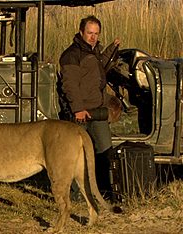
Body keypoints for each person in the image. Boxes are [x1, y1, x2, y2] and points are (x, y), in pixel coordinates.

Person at [58, 15, 121, 199]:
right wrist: (77, 109)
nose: (93, 37)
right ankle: (75, 195)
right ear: (81, 32)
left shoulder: (93, 52)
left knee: (105, 151)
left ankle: (103, 192)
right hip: (80, 114)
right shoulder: (71, 55)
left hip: (97, 111)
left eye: (96, 33)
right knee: (77, 156)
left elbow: (101, 64)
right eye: (89, 33)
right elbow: (69, 85)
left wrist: (113, 47)